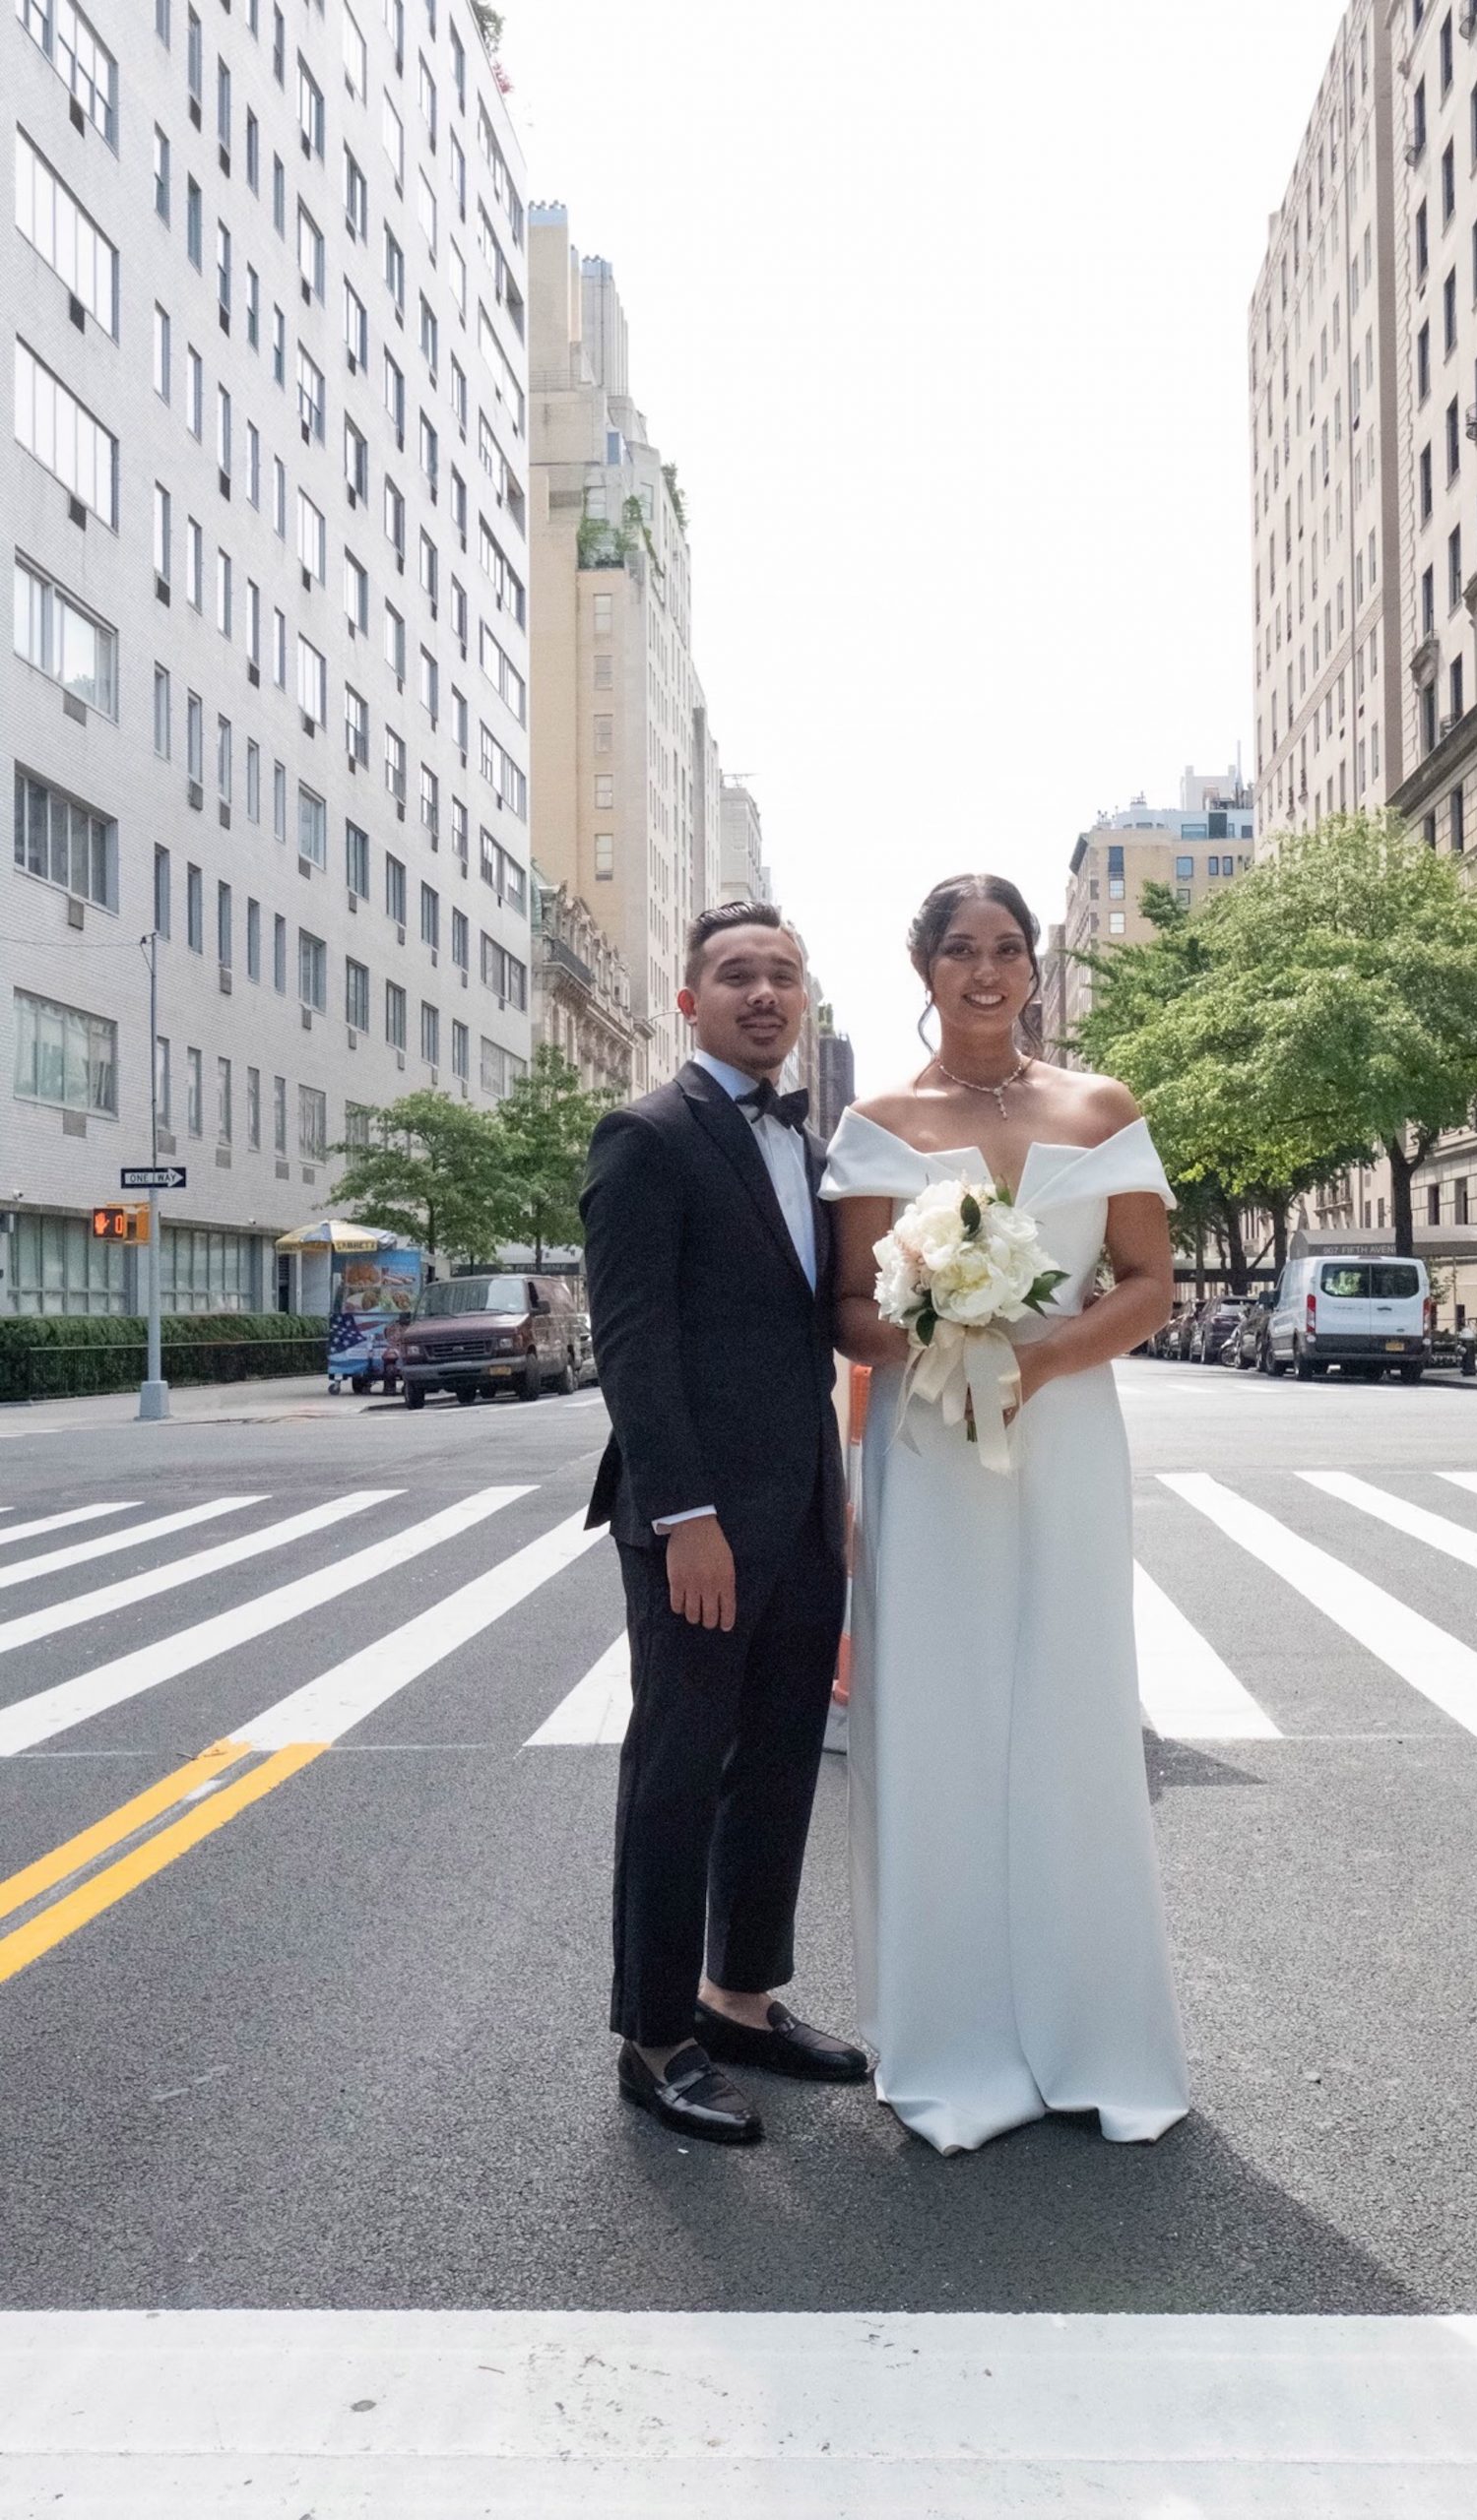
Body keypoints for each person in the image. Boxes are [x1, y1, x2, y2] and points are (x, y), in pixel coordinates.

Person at [820, 874, 1189, 2155]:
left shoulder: (1100, 1107)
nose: (985, 972)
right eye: (960, 951)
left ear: (1033, 966)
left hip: (1066, 1434)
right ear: (923, 969)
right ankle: (955, 2038)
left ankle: (1098, 2037)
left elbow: (1147, 1283)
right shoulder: (876, 1123)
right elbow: (847, 1310)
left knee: (1072, 1706)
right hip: (929, 1443)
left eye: (1007, 949)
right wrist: (944, 1333)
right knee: (940, 1714)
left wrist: (1031, 1361)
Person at [580, 901, 869, 2146]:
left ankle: (739, 1998)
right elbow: (632, 1344)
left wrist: (831, 1491)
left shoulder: (810, 1147)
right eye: (736, 975)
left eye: (783, 976)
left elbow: (803, 1342)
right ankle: (655, 2038)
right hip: (694, 1523)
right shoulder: (647, 1134)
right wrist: (683, 1515)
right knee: (678, 1771)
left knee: (779, 1761)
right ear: (689, 1000)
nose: (763, 994)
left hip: (799, 1512)